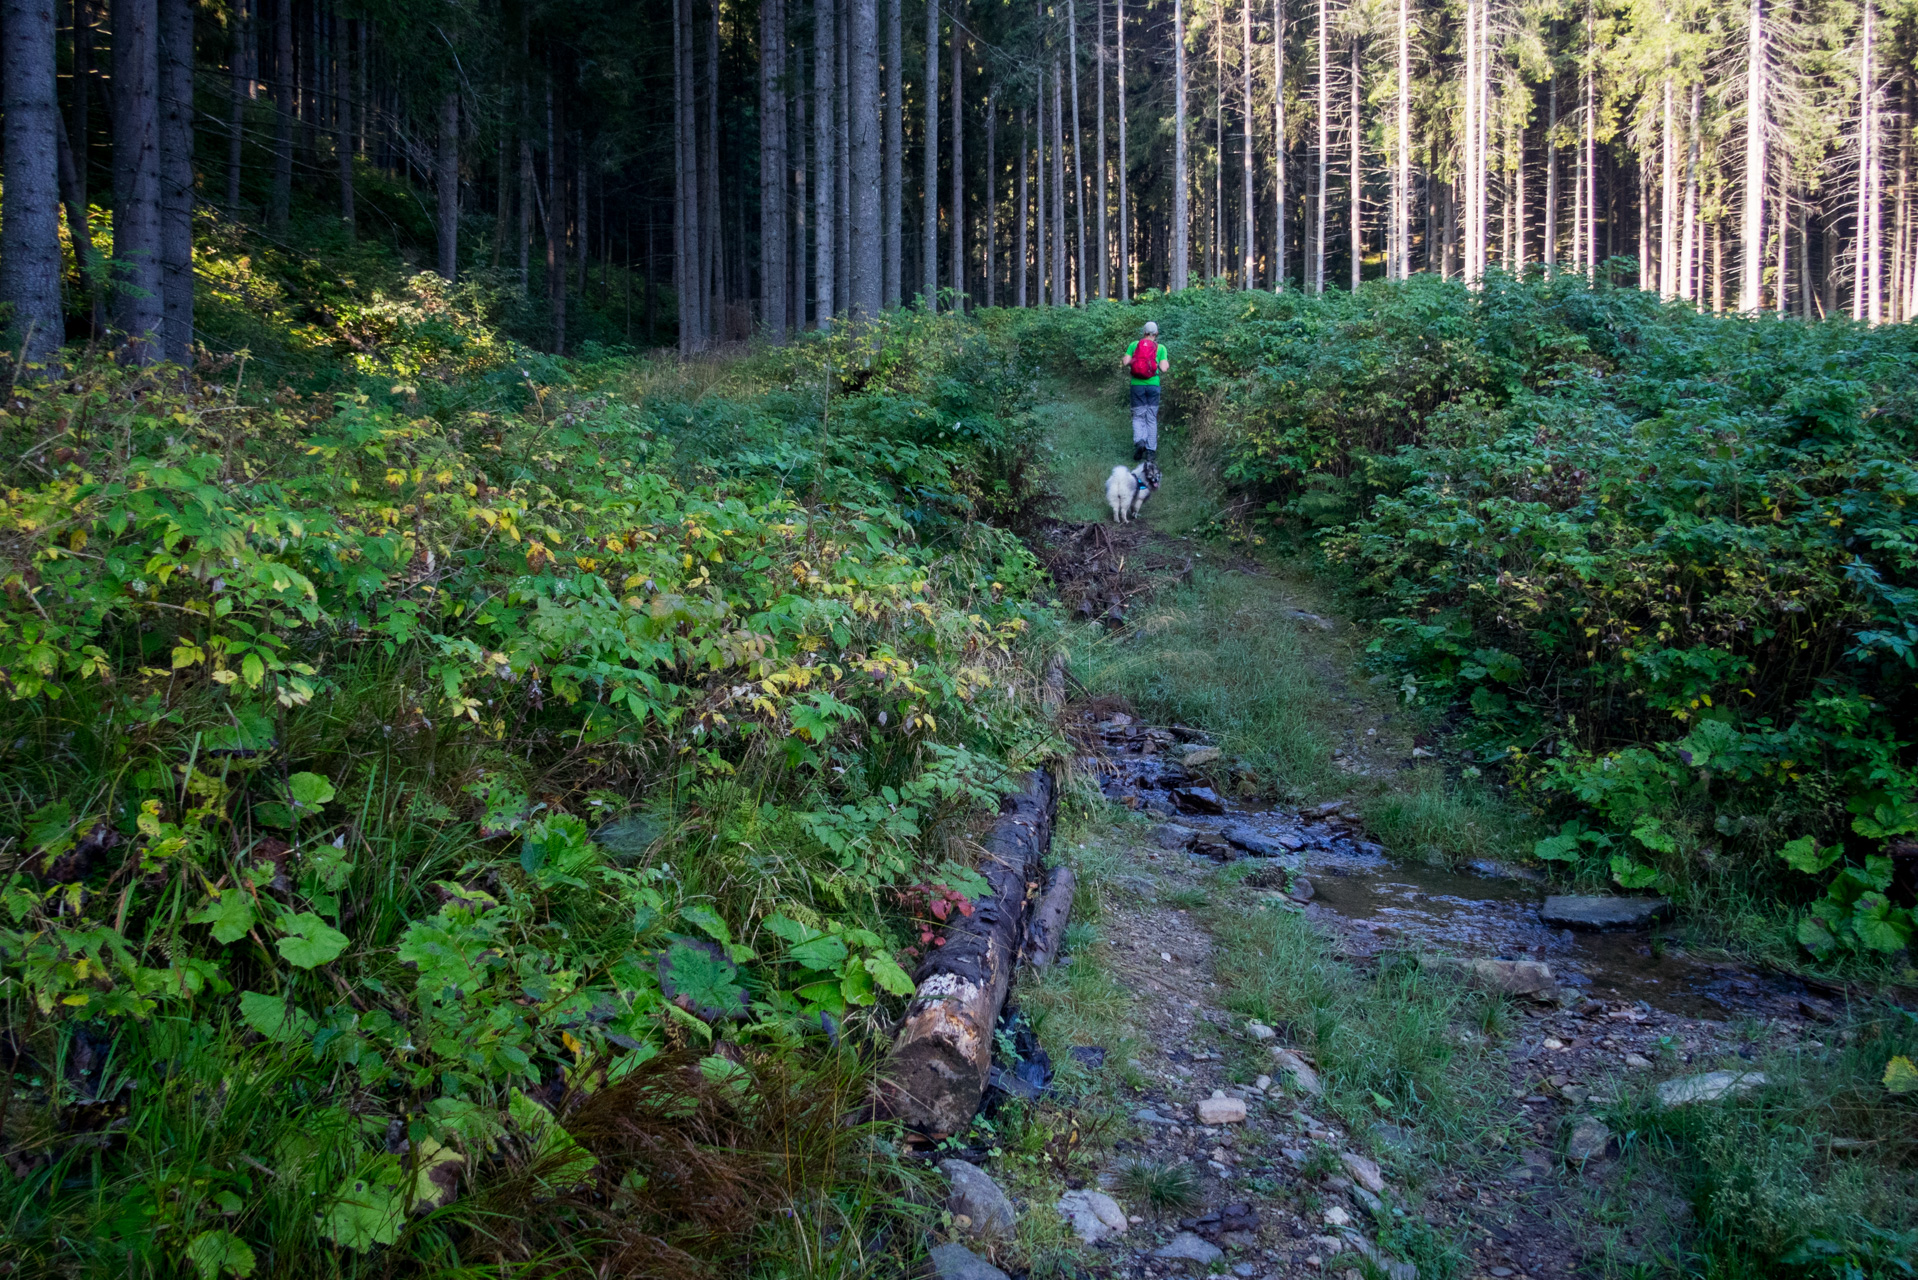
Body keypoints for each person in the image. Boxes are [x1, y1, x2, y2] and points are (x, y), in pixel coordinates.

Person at [1123, 321, 1168, 464]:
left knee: (1138, 416)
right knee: (1151, 418)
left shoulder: (1134, 345)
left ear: (1143, 333)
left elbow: (1125, 362)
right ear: (1156, 334)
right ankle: (1150, 452)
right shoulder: (1160, 348)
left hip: (1137, 385)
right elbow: (1164, 368)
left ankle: (1140, 442)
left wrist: (1135, 361)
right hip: (1153, 386)